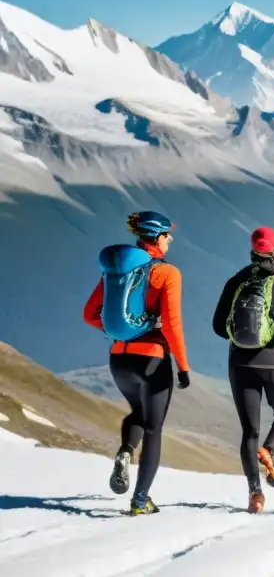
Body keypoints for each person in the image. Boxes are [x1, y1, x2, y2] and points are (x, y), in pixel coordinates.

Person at [83, 210, 191, 516]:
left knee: (138, 414)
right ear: (156, 236)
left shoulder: (117, 272)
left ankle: (125, 451)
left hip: (119, 359)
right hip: (153, 360)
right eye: (167, 234)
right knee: (154, 429)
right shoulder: (167, 273)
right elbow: (171, 324)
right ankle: (141, 500)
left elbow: (90, 314)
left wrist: (122, 333)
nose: (170, 239)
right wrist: (183, 366)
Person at [212, 226, 274, 514]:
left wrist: (242, 333)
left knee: (249, 431)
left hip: (240, 364)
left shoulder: (236, 281)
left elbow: (219, 327)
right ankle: (269, 451)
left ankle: (255, 494)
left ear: (252, 251)